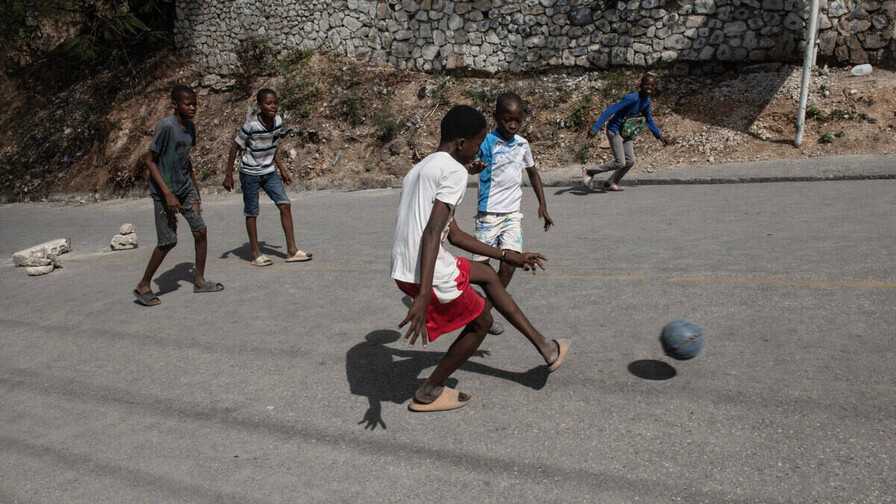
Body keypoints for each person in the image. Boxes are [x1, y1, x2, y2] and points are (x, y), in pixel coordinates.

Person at [390, 104, 570, 412]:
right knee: (480, 324)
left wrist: (507, 255)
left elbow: (455, 235)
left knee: (487, 275)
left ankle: (546, 348)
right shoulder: (454, 172)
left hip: (405, 267)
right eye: (477, 144)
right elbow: (433, 232)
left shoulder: (422, 167)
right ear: (462, 143)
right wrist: (423, 295)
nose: (478, 151)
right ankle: (428, 391)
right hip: (425, 272)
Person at [134, 85, 223, 306]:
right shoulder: (165, 127)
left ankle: (200, 281)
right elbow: (149, 160)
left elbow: (185, 158)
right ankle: (144, 284)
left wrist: (194, 185)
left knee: (200, 231)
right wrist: (167, 193)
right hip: (164, 192)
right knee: (168, 241)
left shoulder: (190, 128)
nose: (193, 108)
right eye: (188, 104)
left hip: (185, 188)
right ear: (176, 105)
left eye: (195, 104)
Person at [474, 92, 554, 335]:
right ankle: (469, 304)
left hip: (512, 214)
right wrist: (472, 168)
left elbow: (532, 173)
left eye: (517, 120)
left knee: (510, 263)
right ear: (496, 117)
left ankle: (485, 310)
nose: (512, 125)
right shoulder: (486, 142)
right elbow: (470, 164)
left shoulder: (522, 144)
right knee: (481, 267)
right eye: (507, 119)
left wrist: (543, 204)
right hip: (488, 214)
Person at [223, 88, 312, 266]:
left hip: (269, 171)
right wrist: (228, 175)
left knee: (285, 204)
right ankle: (256, 254)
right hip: (249, 173)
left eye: (275, 103)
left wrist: (282, 170)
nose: (273, 107)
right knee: (252, 212)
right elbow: (235, 147)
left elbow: (273, 146)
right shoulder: (251, 126)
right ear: (259, 105)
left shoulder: (278, 121)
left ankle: (292, 250)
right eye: (268, 103)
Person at [583, 74, 671, 192]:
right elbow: (611, 109)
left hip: (627, 132)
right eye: (646, 84)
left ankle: (610, 183)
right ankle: (589, 172)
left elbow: (648, 119)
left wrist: (659, 135)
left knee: (630, 161)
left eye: (652, 85)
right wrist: (596, 127)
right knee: (620, 162)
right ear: (641, 85)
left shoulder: (646, 101)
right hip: (615, 130)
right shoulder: (632, 98)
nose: (649, 87)